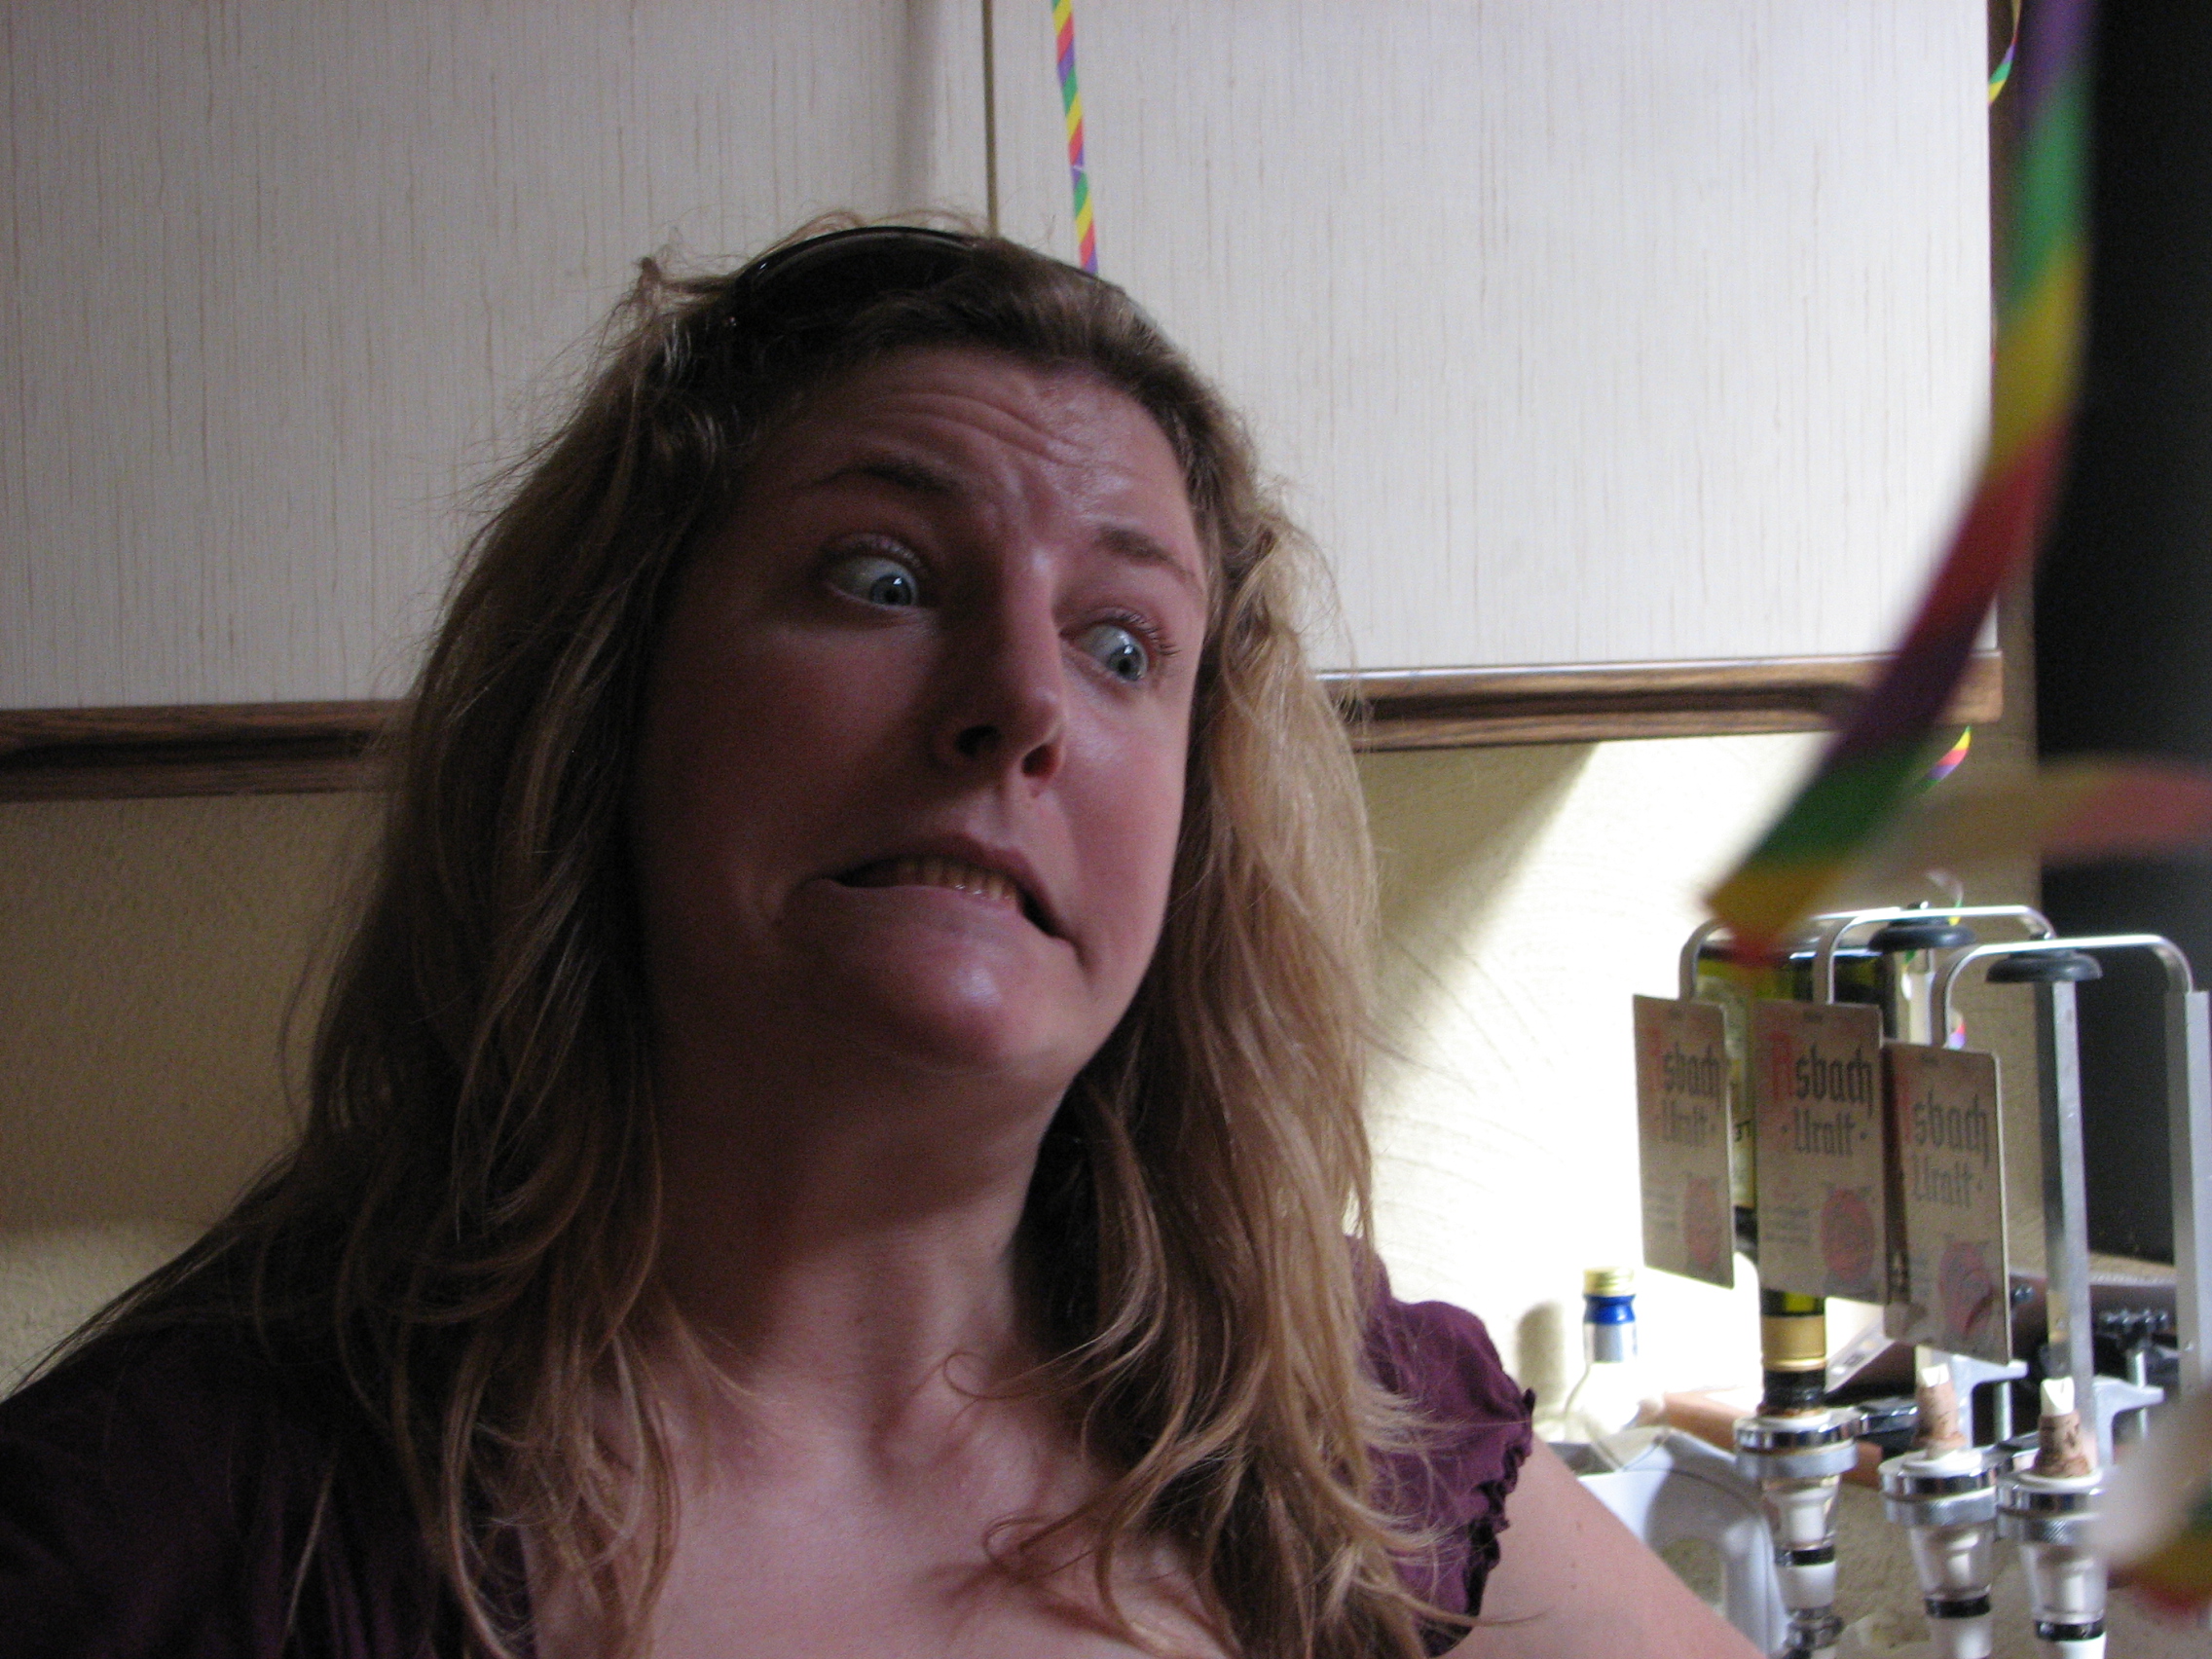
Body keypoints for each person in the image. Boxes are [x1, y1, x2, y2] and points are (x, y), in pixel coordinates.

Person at [0, 223, 1753, 1658]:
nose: (1023, 703)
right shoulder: (170, 1532)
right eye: (885, 578)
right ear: (606, 703)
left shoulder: (1332, 1423)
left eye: (1123, 647)